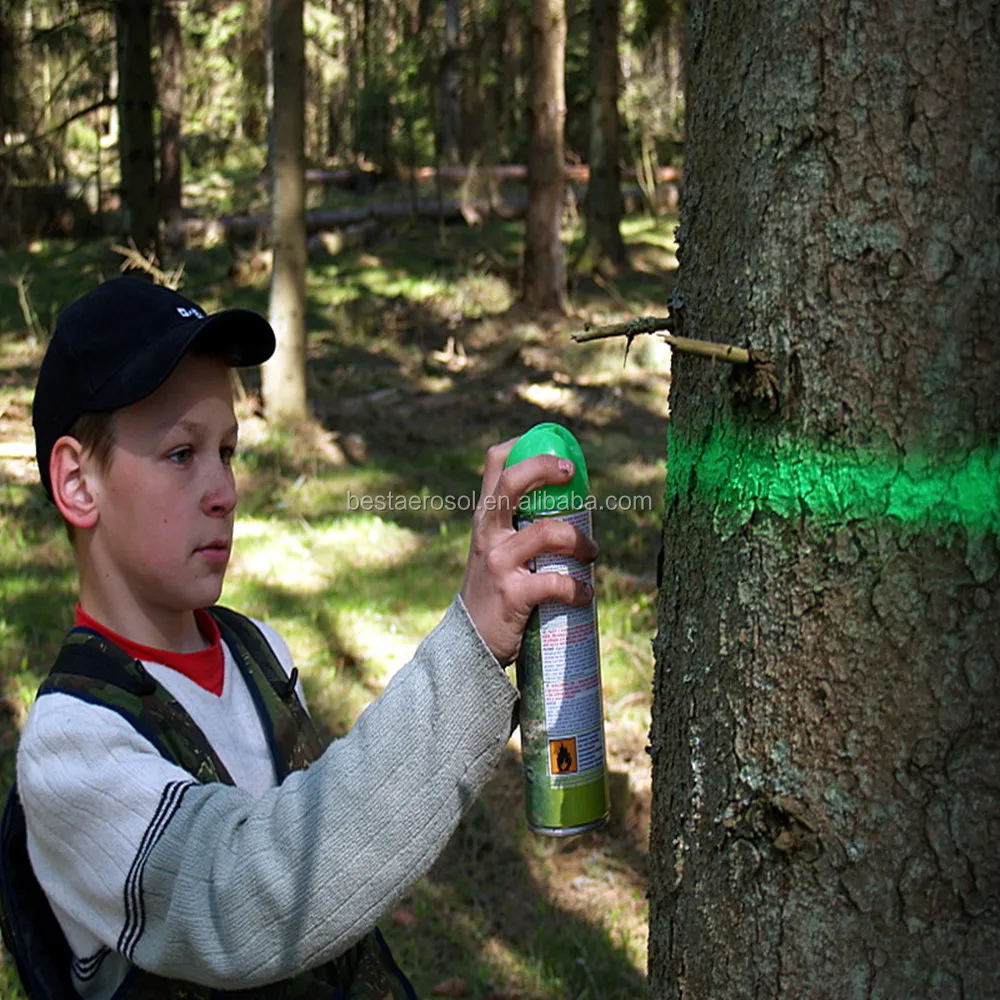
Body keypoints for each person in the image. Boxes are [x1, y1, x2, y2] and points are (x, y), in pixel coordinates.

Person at [16, 276, 598, 998]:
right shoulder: (70, 752)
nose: (223, 489)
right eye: (179, 453)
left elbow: (328, 869)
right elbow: (239, 900)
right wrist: (470, 645)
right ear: (77, 483)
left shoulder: (257, 654)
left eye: (226, 450)